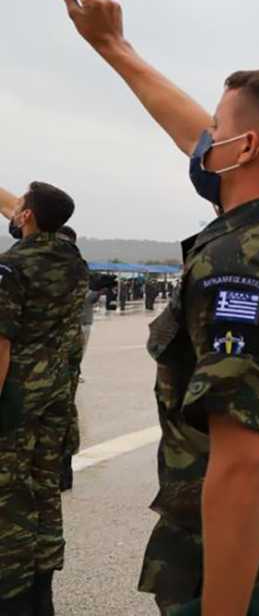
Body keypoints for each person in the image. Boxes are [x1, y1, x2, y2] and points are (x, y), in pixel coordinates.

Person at [58, 0, 259, 614]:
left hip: (252, 567)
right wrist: (116, 48)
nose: (202, 139)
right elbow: (194, 133)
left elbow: (243, 462)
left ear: (245, 148)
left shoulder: (235, 269)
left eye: (218, 129)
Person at [0, 181, 87, 614]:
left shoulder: (10, 268)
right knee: (46, 490)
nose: (13, 210)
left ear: (28, 216)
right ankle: (42, 593)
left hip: (15, 401)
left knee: (9, 497)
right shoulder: (72, 260)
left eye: (19, 206)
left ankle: (12, 597)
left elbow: (1, 346)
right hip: (56, 398)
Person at [51, 225, 91, 493]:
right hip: (68, 347)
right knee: (64, 410)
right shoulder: (79, 267)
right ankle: (63, 472)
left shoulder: (42, 265)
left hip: (46, 357)